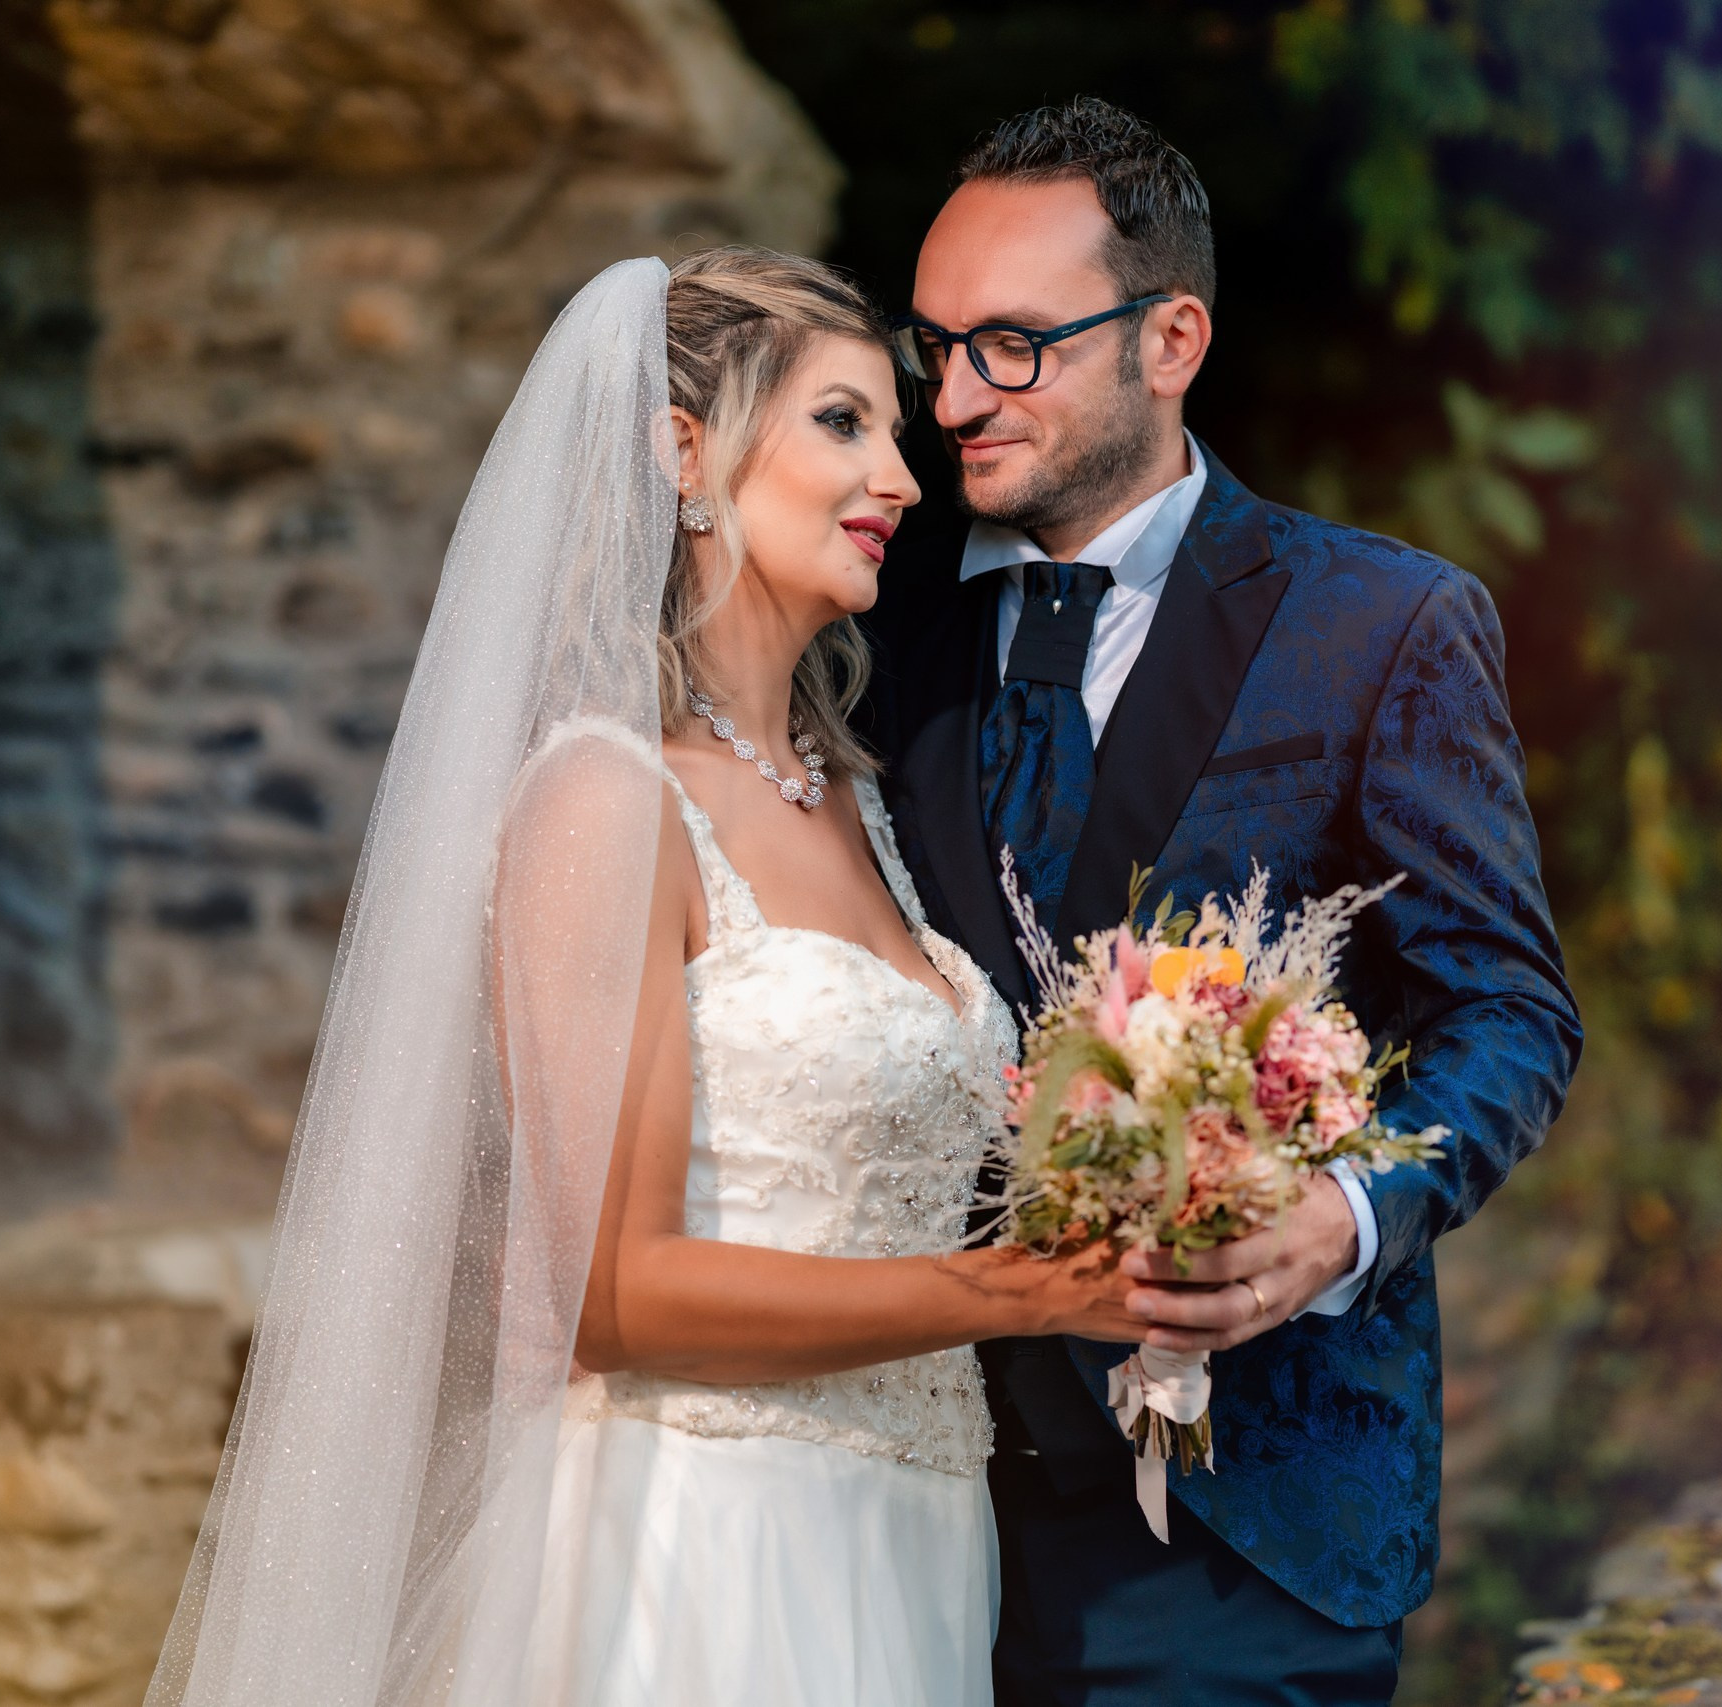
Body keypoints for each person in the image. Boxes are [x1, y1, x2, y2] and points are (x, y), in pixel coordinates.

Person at [144, 247, 1141, 1707]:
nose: (905, 482)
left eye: (896, 435)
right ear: (687, 451)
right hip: (701, 1547)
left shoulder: (860, 800)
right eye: (844, 422)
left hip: (914, 1538)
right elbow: (613, 1290)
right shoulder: (606, 798)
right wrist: (1009, 1290)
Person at [861, 98, 1583, 1705]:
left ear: (1170, 335)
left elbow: (1510, 1012)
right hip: (894, 1512)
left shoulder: (1380, 623)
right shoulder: (862, 624)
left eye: (1011, 346)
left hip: (1244, 1521)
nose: (953, 396)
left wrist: (1343, 1220)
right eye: (935, 346)